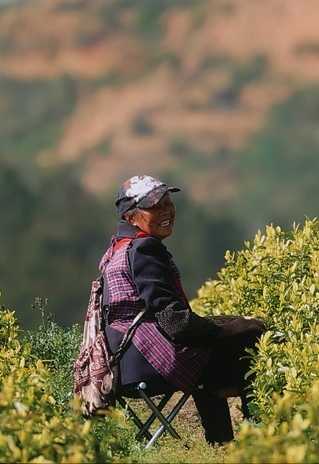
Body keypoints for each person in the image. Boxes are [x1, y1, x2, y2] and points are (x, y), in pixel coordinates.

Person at [100, 174, 265, 444]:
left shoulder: (118, 249)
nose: (166, 211)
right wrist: (230, 327)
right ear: (131, 218)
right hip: (146, 364)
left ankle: (221, 443)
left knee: (207, 349)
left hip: (126, 363)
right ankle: (259, 439)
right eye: (155, 206)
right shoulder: (145, 249)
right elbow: (176, 323)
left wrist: (215, 328)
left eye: (168, 202)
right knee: (250, 342)